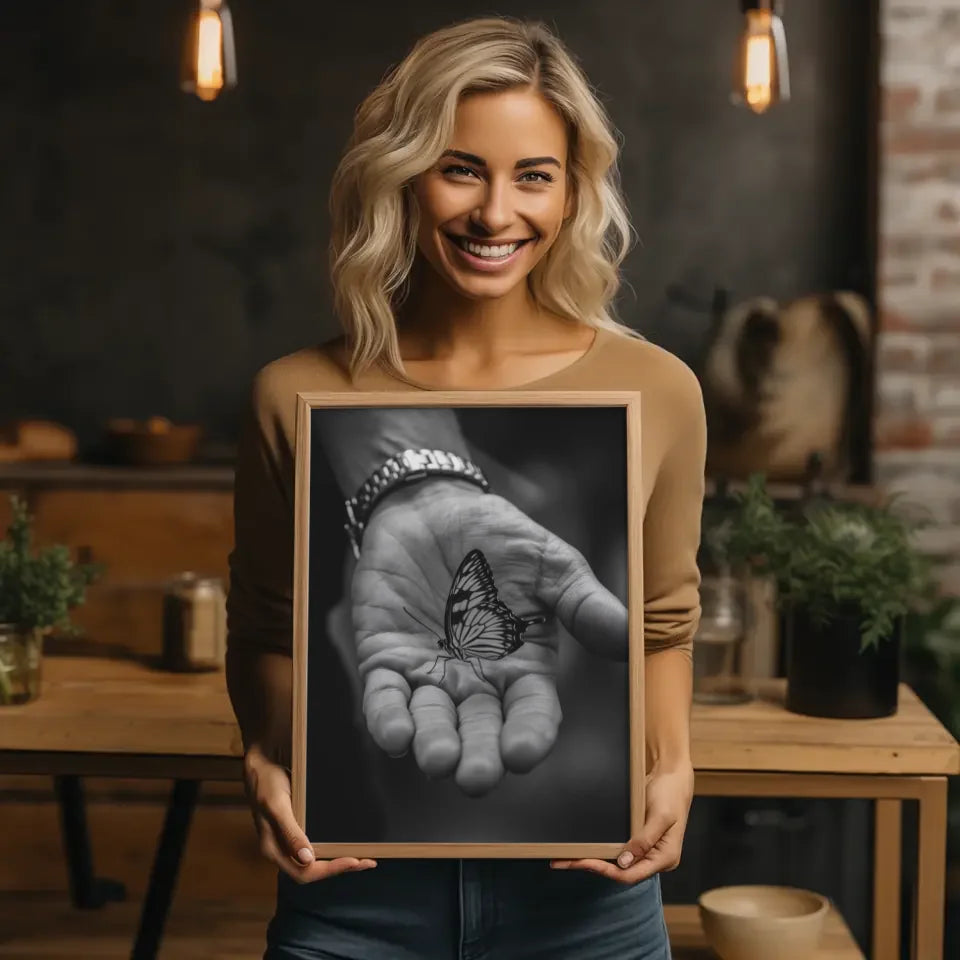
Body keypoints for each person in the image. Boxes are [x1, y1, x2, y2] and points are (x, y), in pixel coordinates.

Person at [225, 15, 706, 960]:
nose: (496, 214)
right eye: (460, 169)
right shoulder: (293, 394)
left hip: (587, 907)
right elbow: (265, 627)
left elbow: (660, 624)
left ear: (573, 195)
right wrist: (263, 753)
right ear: (401, 178)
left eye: (534, 175)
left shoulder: (660, 389)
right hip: (352, 901)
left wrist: (675, 767)